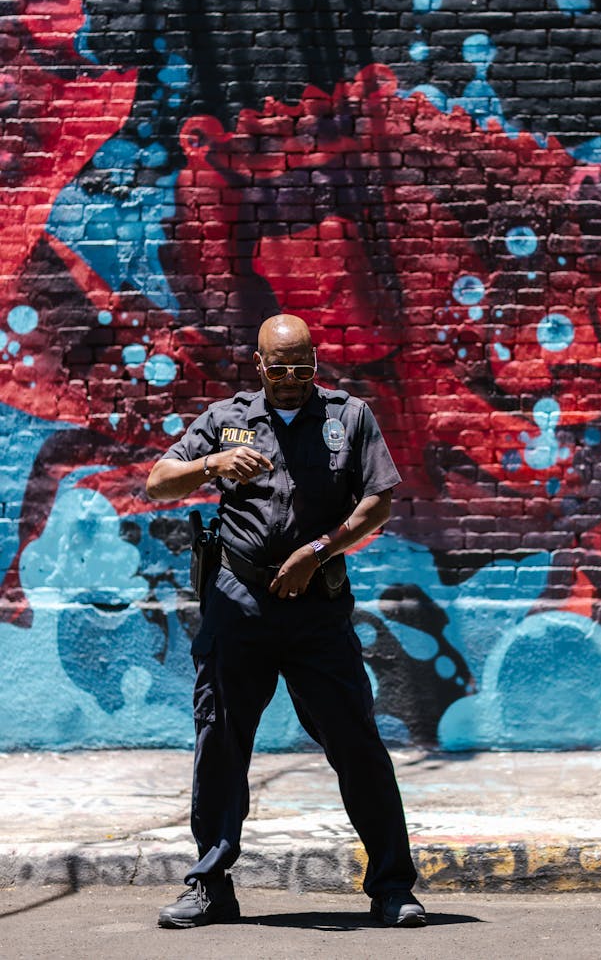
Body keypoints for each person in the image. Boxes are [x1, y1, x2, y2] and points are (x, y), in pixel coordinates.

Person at [146, 313, 426, 930]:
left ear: (316, 363)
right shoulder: (226, 421)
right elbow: (159, 482)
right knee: (219, 743)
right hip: (238, 604)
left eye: (304, 369)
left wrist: (319, 551)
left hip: (316, 611)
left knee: (355, 742)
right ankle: (211, 887)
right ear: (260, 364)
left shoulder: (347, 417)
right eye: (282, 370)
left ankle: (391, 887)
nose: (294, 380)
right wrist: (213, 469)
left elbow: (378, 501)